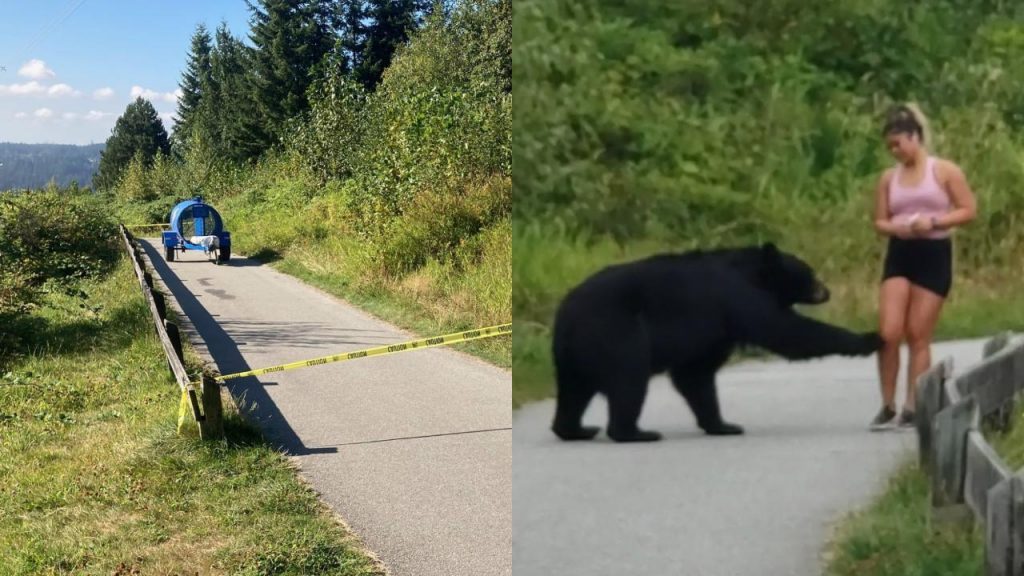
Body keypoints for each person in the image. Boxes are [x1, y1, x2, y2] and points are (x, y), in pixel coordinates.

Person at [869, 103, 977, 431]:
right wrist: (896, 228)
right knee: (888, 332)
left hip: (933, 252)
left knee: (918, 333)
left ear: (915, 137)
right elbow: (879, 220)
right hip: (901, 252)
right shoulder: (889, 178)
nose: (895, 151)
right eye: (890, 147)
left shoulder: (944, 171)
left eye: (899, 144)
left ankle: (914, 405)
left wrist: (935, 221)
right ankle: (887, 403)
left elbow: (968, 209)